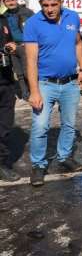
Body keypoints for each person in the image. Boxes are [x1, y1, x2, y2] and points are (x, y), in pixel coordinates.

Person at [24, 0, 82, 186]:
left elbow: (78, 43)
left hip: (70, 83)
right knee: (41, 126)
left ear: (61, 1)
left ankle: (64, 157)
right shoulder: (33, 24)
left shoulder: (72, 17)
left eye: (53, 4)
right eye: (45, 5)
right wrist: (34, 92)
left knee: (69, 124)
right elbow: (31, 61)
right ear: (40, 4)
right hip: (45, 84)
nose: (50, 9)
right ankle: (38, 165)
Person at [2, 0, 34, 99]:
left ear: (16, 0)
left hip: (26, 46)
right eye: (8, 1)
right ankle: (24, 93)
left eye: (12, 0)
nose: (11, 3)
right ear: (4, 3)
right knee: (19, 73)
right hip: (12, 47)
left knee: (27, 72)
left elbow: (36, 28)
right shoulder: (4, 16)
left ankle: (33, 91)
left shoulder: (27, 12)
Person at [0, 16, 19, 181]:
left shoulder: (3, 19)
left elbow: (11, 41)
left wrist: (11, 46)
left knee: (5, 126)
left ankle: (2, 165)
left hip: (6, 81)